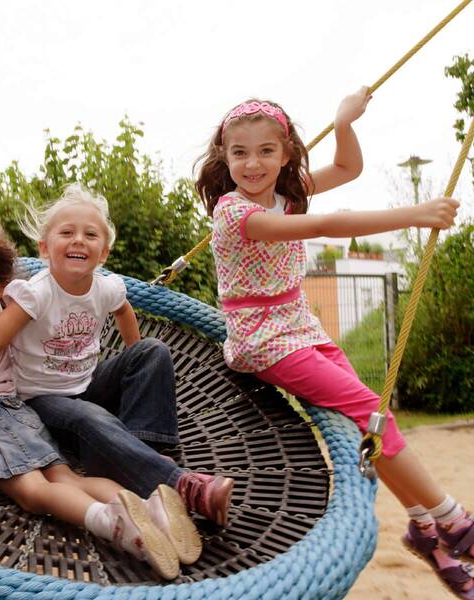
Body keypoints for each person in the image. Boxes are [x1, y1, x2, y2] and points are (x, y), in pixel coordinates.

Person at [195, 87, 473, 598]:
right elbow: (323, 223)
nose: (252, 163)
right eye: (240, 152)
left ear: (285, 154)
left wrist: (344, 123)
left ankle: (422, 527)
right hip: (264, 338)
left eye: (265, 151)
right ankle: (453, 520)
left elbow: (346, 169)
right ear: (224, 157)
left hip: (301, 323)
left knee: (371, 417)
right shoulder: (233, 212)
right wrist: (414, 214)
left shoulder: (287, 191)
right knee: (373, 414)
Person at [0, 184, 234, 530]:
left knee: (152, 351)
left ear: (103, 253)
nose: (78, 240)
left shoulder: (107, 287)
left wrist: (134, 373)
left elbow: (125, 313)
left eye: (90, 234)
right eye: (66, 232)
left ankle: (145, 450)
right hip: (40, 399)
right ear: (45, 248)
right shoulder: (35, 295)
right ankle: (181, 486)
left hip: (86, 383)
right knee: (90, 417)